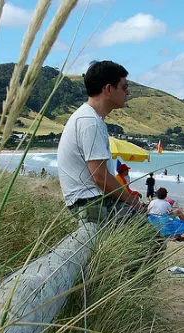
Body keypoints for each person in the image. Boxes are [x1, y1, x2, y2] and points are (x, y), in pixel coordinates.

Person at [57, 61, 143, 222]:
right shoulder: (89, 121)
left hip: (90, 201)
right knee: (153, 239)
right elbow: (100, 176)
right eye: (124, 87)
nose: (128, 92)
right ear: (109, 89)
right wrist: (132, 200)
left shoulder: (89, 118)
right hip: (90, 204)